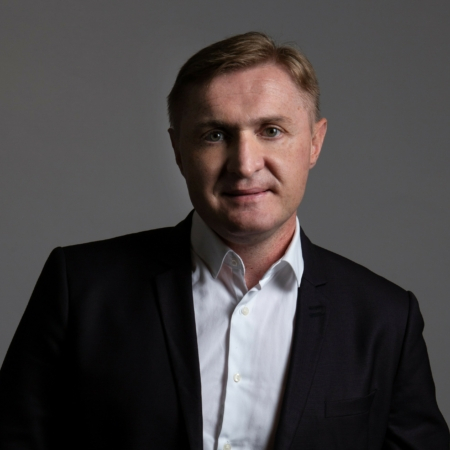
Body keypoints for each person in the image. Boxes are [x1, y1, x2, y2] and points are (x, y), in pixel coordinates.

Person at [0, 31, 448, 450]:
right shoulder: (80, 289)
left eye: (271, 130)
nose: (245, 164)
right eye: (215, 135)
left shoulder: (387, 319)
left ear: (314, 142)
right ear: (178, 151)